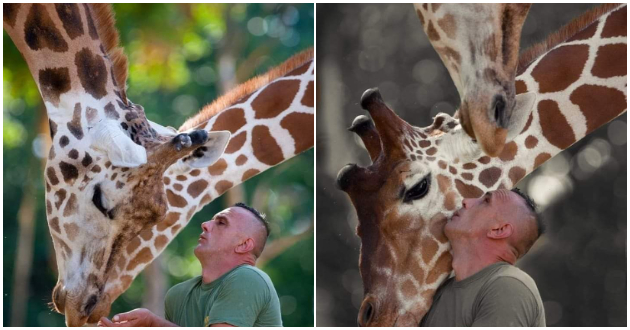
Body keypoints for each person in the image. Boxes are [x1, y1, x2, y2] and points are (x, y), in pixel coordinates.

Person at [98, 203, 282, 327]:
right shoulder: (178, 295)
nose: (205, 224)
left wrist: (154, 324)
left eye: (221, 222)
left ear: (244, 245)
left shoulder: (248, 279)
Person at [420, 188, 546, 327]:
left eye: (486, 201)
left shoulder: (508, 287)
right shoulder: (442, 289)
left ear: (499, 230)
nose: (466, 201)